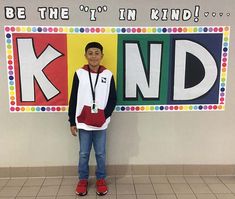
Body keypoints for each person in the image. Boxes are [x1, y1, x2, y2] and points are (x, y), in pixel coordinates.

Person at [68, 42, 117, 196]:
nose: (94, 56)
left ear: (102, 56)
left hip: (101, 122)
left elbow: (113, 99)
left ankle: (100, 179)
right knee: (83, 153)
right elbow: (74, 98)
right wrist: (72, 121)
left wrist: (104, 115)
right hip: (83, 121)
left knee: (100, 153)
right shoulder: (79, 73)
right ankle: (83, 179)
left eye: (97, 53)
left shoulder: (108, 75)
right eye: (90, 53)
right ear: (85, 56)